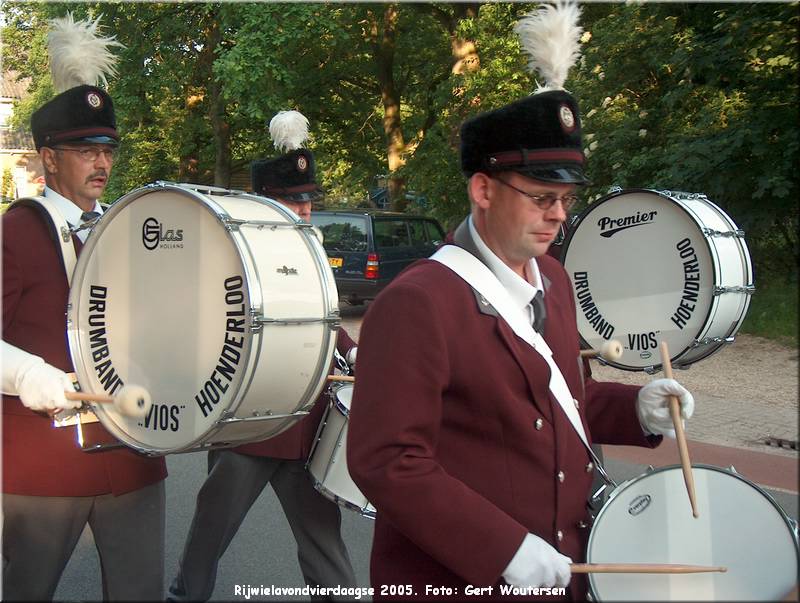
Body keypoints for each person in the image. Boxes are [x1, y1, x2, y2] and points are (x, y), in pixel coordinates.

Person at [346, 4, 694, 600]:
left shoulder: (554, 281)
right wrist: (500, 547)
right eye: (540, 196)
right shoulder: (417, 303)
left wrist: (636, 408)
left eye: (564, 198)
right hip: (453, 579)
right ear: (482, 189)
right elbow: (385, 460)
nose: (557, 214)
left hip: (560, 571)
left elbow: (557, 403)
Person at [1, 14, 167, 601]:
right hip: (44, 466)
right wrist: (27, 373)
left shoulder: (127, 230)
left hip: (134, 456)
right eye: (84, 150)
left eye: (107, 149)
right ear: (49, 158)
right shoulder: (17, 233)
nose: (101, 162)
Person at [168, 110, 357, 602]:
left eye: (309, 198)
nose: (305, 209)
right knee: (208, 538)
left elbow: (324, 324)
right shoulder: (231, 256)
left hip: (306, 428)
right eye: (293, 199)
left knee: (325, 549)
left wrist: (355, 355)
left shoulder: (314, 252)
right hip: (246, 426)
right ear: (265, 202)